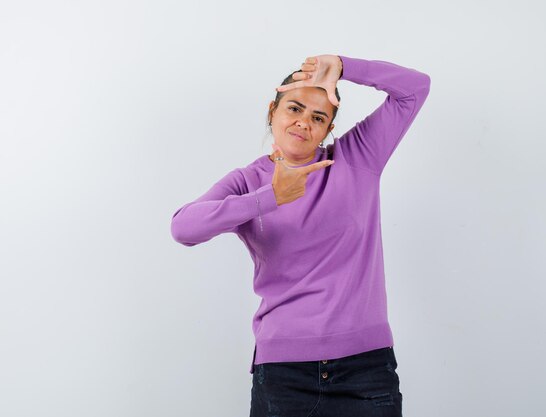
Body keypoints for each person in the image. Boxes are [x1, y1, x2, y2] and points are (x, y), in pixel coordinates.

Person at [170, 54, 431, 417]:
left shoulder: (358, 157)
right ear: (272, 110)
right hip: (283, 375)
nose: (304, 122)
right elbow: (184, 228)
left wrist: (343, 66)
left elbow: (414, 88)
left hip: (366, 370)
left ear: (327, 130)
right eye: (294, 108)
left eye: (318, 117)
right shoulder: (247, 183)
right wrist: (269, 198)